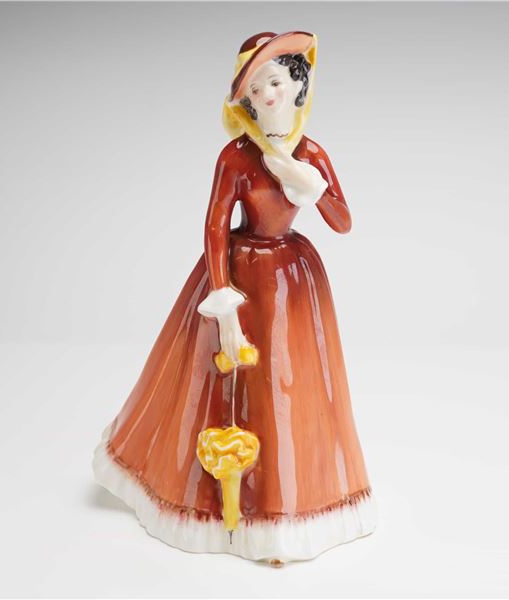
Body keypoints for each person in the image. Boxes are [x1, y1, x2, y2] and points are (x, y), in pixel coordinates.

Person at [93, 30, 377, 565]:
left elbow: (343, 221)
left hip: (292, 276)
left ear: (297, 84)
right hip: (240, 272)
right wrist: (223, 301)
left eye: (275, 82)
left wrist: (312, 186)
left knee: (290, 383)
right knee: (220, 384)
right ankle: (219, 509)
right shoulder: (236, 157)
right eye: (254, 88)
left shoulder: (311, 153)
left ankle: (287, 508)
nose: (265, 94)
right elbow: (215, 228)